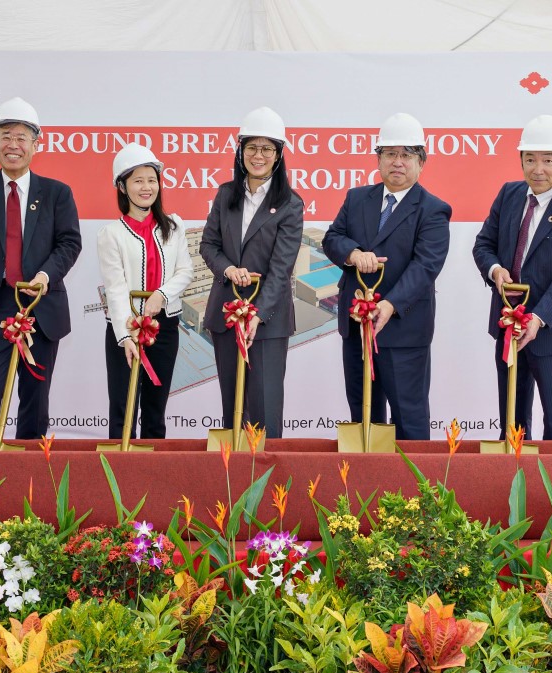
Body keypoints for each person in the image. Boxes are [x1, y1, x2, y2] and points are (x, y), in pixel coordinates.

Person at [0, 98, 81, 440]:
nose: (13, 144)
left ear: (37, 145)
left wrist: (43, 276)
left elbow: (69, 243)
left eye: (22, 137)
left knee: (35, 399)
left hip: (41, 306)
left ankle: (30, 475)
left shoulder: (57, 193)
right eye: (5, 135)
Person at [323, 113, 451, 441]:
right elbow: (332, 238)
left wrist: (390, 305)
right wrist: (353, 254)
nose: (397, 162)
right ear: (378, 158)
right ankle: (368, 488)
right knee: (364, 417)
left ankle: (416, 491)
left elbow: (426, 266)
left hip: (403, 331)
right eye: (390, 154)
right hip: (356, 326)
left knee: (409, 418)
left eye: (407, 155)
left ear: (422, 162)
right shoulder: (357, 198)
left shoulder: (433, 209)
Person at [470, 115, 552, 440]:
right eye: (530, 159)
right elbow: (483, 244)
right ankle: (512, 487)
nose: (537, 169)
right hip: (508, 326)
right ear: (521, 160)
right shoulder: (508, 195)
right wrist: (494, 269)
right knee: (512, 421)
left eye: (548, 160)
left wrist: (538, 318)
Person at [199, 107, 304, 439]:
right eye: (252, 147)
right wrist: (228, 269)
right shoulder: (225, 194)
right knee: (233, 409)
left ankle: (269, 484)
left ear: (278, 155)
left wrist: (258, 313)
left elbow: (281, 267)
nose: (258, 156)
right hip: (225, 315)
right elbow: (208, 245)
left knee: (264, 410)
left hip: (267, 321)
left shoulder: (289, 203)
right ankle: (232, 486)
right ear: (240, 150)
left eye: (267, 148)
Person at [96, 144, 193, 439]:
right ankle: (117, 476)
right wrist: (125, 337)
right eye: (137, 180)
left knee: (155, 411)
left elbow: (185, 271)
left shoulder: (174, 225)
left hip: (164, 327)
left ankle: (153, 477)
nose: (146, 187)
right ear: (122, 187)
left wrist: (161, 294)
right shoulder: (110, 234)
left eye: (152, 180)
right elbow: (115, 288)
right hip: (124, 328)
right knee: (123, 410)